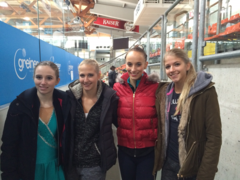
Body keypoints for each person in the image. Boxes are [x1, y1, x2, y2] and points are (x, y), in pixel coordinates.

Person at [153, 48, 222, 180]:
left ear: (187, 65)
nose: (172, 69)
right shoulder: (164, 93)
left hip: (192, 167)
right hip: (169, 164)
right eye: (168, 67)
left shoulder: (205, 92)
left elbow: (214, 137)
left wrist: (206, 174)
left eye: (177, 64)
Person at [1, 61, 70, 180]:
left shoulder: (65, 103)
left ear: (57, 81)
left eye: (49, 78)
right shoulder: (19, 105)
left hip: (56, 170)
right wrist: (9, 175)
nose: (43, 82)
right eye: (39, 77)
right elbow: (9, 145)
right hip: (28, 171)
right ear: (33, 78)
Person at [66, 59, 118, 180]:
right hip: (71, 163)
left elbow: (121, 123)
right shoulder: (70, 98)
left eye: (90, 75)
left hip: (95, 165)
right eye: (82, 75)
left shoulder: (109, 99)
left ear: (99, 75)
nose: (85, 80)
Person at [113, 45, 159, 180]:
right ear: (125, 64)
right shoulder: (117, 87)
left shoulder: (155, 87)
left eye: (138, 64)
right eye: (130, 64)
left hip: (149, 152)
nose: (133, 69)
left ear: (145, 65)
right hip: (125, 150)